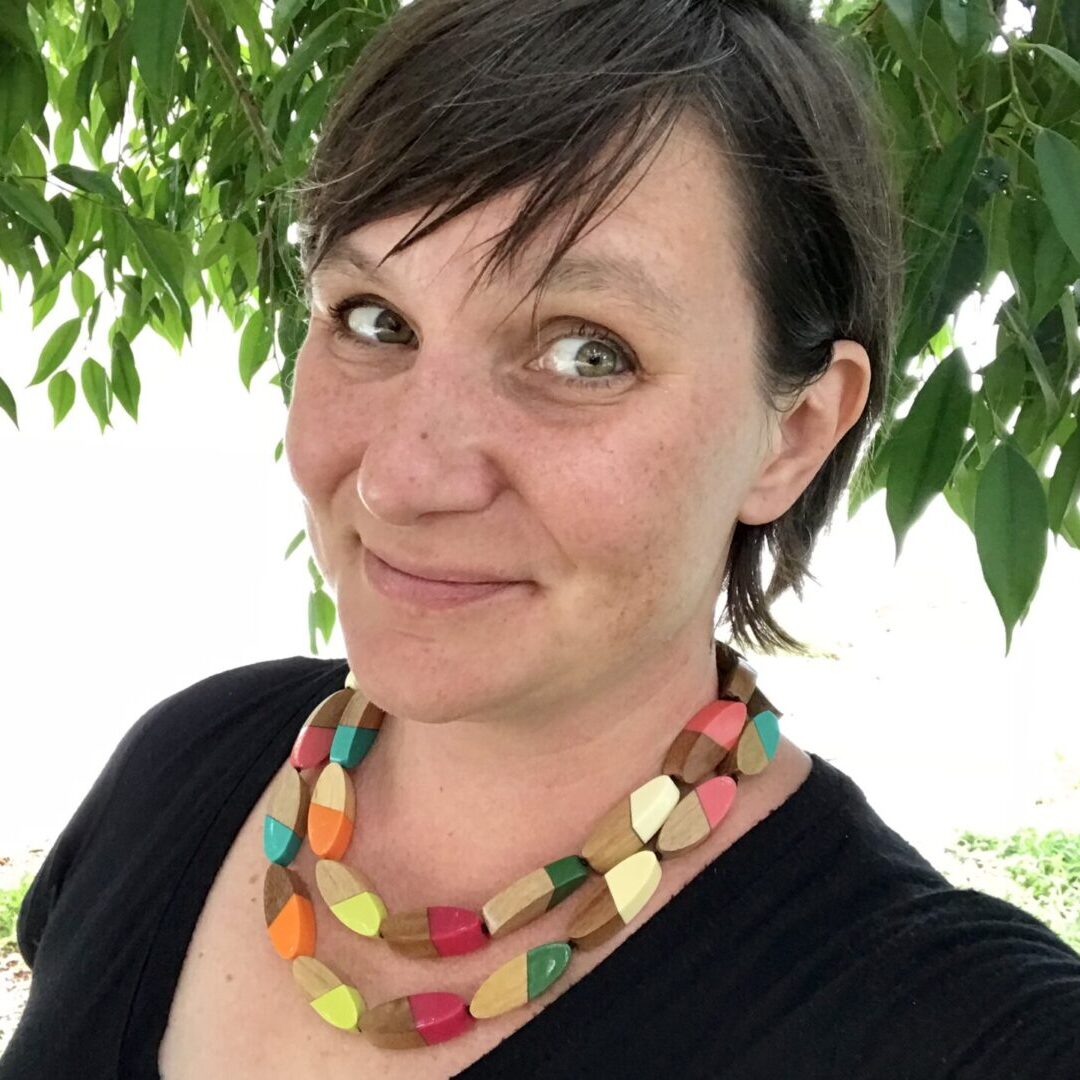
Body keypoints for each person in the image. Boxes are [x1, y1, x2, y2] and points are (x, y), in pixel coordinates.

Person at [4, 0, 1080, 1077]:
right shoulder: (180, 766)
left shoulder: (962, 1035)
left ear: (792, 434)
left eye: (586, 353)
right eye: (375, 319)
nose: (403, 477)